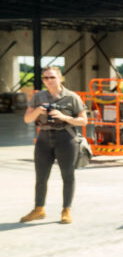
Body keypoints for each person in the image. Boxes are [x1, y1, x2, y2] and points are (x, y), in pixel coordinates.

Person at [20, 66, 89, 224]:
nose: (49, 80)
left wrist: (63, 117)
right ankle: (39, 209)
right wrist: (38, 111)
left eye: (52, 77)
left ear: (60, 78)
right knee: (41, 176)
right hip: (44, 139)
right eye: (46, 78)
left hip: (65, 138)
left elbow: (84, 121)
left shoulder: (72, 97)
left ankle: (66, 210)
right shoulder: (38, 97)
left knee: (68, 176)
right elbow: (27, 119)